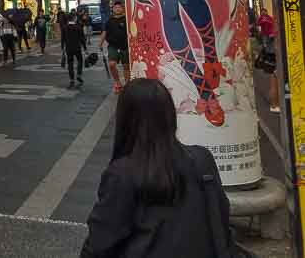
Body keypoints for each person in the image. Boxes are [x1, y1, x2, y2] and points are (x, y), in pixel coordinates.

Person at [81, 79, 231, 257]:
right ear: (170, 115)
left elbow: (100, 242)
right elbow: (221, 217)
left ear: (125, 120)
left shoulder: (122, 173)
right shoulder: (202, 159)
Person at [101, 1, 130, 94]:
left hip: (125, 46)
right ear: (113, 9)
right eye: (115, 7)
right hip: (113, 46)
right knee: (112, 64)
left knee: (126, 66)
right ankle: (117, 82)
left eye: (119, 7)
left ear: (122, 8)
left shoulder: (127, 19)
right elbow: (105, 32)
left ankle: (127, 86)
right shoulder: (109, 21)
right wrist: (100, 43)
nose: (117, 8)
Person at [257, 9, 280, 113]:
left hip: (270, 50)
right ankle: (274, 105)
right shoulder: (267, 20)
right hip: (272, 51)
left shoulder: (267, 20)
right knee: (274, 79)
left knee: (274, 78)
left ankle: (275, 104)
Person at [62, 11, 86, 88]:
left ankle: (71, 79)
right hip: (77, 47)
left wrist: (63, 49)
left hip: (68, 48)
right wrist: (85, 48)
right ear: (74, 18)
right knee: (80, 60)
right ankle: (79, 74)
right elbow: (82, 38)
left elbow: (63, 39)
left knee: (70, 63)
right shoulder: (78, 27)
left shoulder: (65, 27)